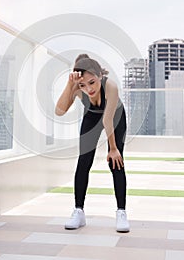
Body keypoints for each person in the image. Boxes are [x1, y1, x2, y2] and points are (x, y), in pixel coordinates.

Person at [55, 54, 130, 233]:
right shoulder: (77, 87)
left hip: (115, 117)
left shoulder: (110, 85)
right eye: (83, 84)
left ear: (99, 76)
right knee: (83, 162)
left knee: (116, 162)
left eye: (92, 82)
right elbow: (59, 111)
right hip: (91, 116)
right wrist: (70, 85)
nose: (88, 89)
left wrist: (113, 149)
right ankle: (78, 211)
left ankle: (121, 212)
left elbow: (108, 120)